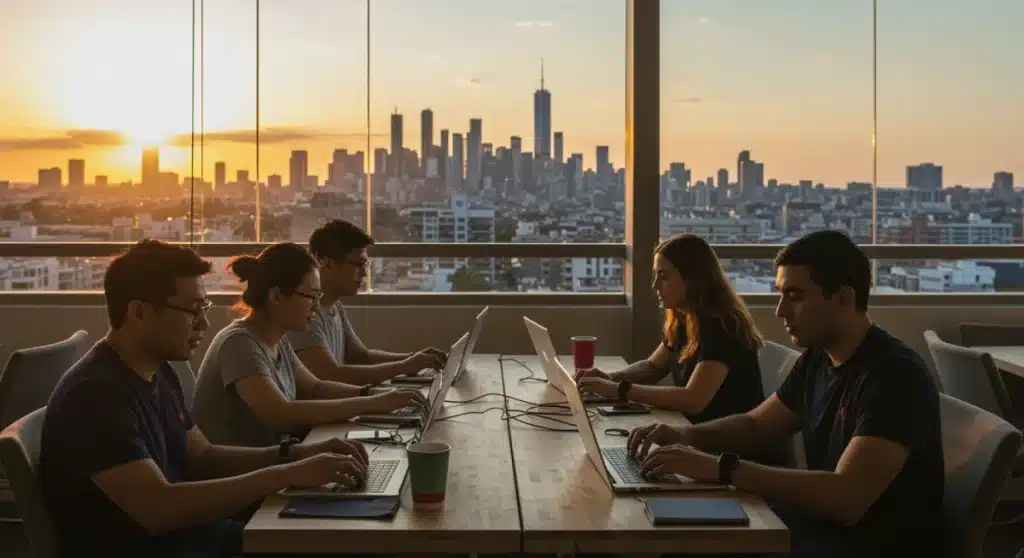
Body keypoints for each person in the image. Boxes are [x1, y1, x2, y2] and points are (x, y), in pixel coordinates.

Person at [39, 240, 370, 557]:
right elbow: (159, 509)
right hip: (162, 550)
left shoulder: (156, 371)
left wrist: (296, 454)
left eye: (205, 307)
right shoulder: (96, 395)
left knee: (346, 526)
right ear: (139, 312)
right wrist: (286, 474)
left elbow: (205, 457)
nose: (204, 323)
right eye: (193, 310)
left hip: (197, 538)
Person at [627, 230, 944, 557]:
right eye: (780, 294)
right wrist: (683, 436)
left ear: (844, 299)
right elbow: (756, 426)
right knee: (667, 526)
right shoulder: (819, 358)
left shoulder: (894, 376)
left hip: (866, 545)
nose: (780, 311)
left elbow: (847, 498)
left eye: (795, 296)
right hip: (820, 528)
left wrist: (721, 469)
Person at [192, 242, 427, 448]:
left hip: (273, 466)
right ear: (276, 296)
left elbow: (315, 388)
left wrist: (377, 395)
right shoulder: (239, 344)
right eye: (311, 297)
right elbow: (281, 413)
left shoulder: (277, 339)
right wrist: (369, 403)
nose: (316, 308)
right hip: (247, 483)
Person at [575, 233, 766, 425]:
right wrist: (609, 378)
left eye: (663, 277)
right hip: (695, 435)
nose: (655, 285)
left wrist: (618, 389)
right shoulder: (687, 318)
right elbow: (653, 367)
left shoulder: (722, 326)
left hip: (725, 446)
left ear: (691, 279)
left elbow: (693, 400)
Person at [289, 219, 447, 385]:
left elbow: (361, 357)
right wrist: (403, 366)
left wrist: (415, 359)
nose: (364, 274)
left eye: (366, 264)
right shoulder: (305, 313)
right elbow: (330, 374)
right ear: (327, 264)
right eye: (358, 264)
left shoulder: (334, 305)